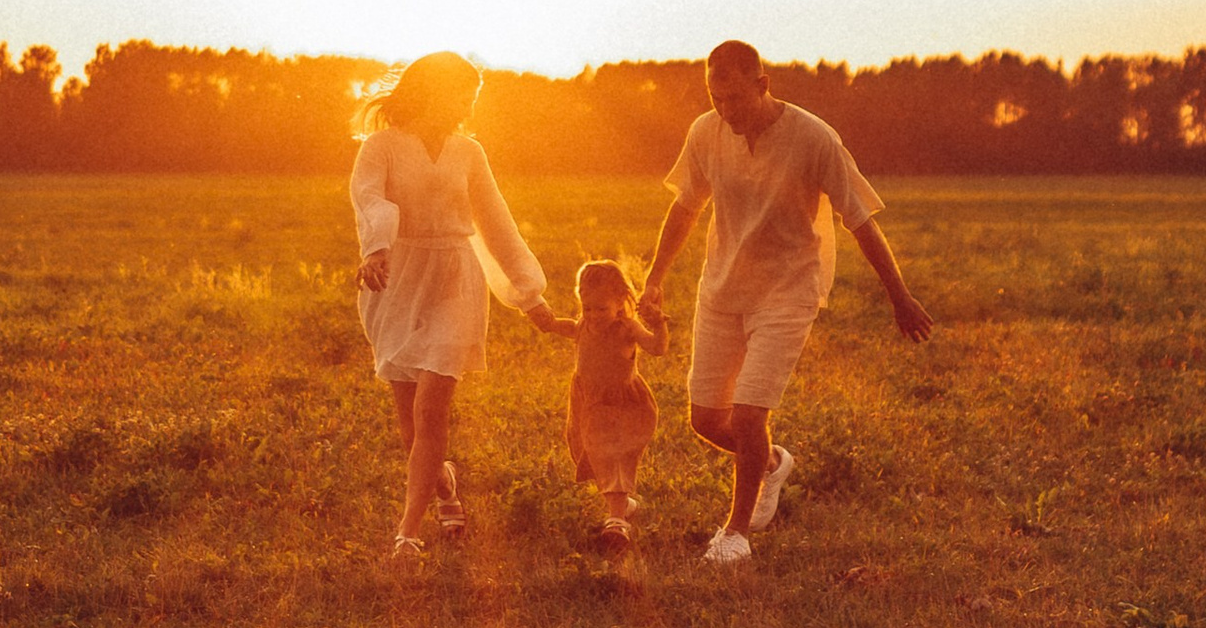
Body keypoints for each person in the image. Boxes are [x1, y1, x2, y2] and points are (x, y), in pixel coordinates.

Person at [640, 39, 932, 567]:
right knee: (706, 419)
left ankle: (735, 535)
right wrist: (655, 278)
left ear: (762, 85)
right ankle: (771, 463)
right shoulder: (705, 132)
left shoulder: (814, 138)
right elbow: (684, 206)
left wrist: (900, 296)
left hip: (789, 290)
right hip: (722, 289)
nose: (725, 111)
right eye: (714, 97)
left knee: (749, 414)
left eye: (734, 98)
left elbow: (861, 220)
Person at [350, 51, 560, 558]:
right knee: (411, 428)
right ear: (432, 92)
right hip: (396, 280)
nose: (468, 107)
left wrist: (529, 294)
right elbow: (369, 198)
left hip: (454, 281)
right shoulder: (381, 146)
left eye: (473, 98)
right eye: (462, 96)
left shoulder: (469, 152)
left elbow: (497, 223)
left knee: (431, 408)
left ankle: (408, 534)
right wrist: (376, 249)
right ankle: (443, 486)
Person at [538, 254, 667, 547]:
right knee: (590, 454)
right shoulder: (584, 324)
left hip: (621, 403)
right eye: (587, 307)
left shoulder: (627, 329)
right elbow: (566, 326)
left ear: (621, 300)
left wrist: (659, 325)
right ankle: (622, 507)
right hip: (587, 402)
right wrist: (545, 320)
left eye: (601, 308)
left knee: (612, 455)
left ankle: (617, 522)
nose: (594, 315)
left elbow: (658, 348)